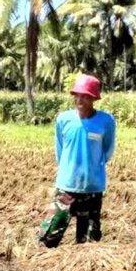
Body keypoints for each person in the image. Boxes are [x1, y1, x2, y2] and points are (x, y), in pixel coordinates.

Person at [38, 73, 117, 248]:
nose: (80, 100)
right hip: (67, 187)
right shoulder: (64, 119)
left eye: (85, 96)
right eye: (77, 95)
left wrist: (92, 167)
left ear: (94, 98)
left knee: (88, 243)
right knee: (48, 237)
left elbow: (107, 150)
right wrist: (68, 170)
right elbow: (60, 149)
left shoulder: (106, 121)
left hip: (92, 187)